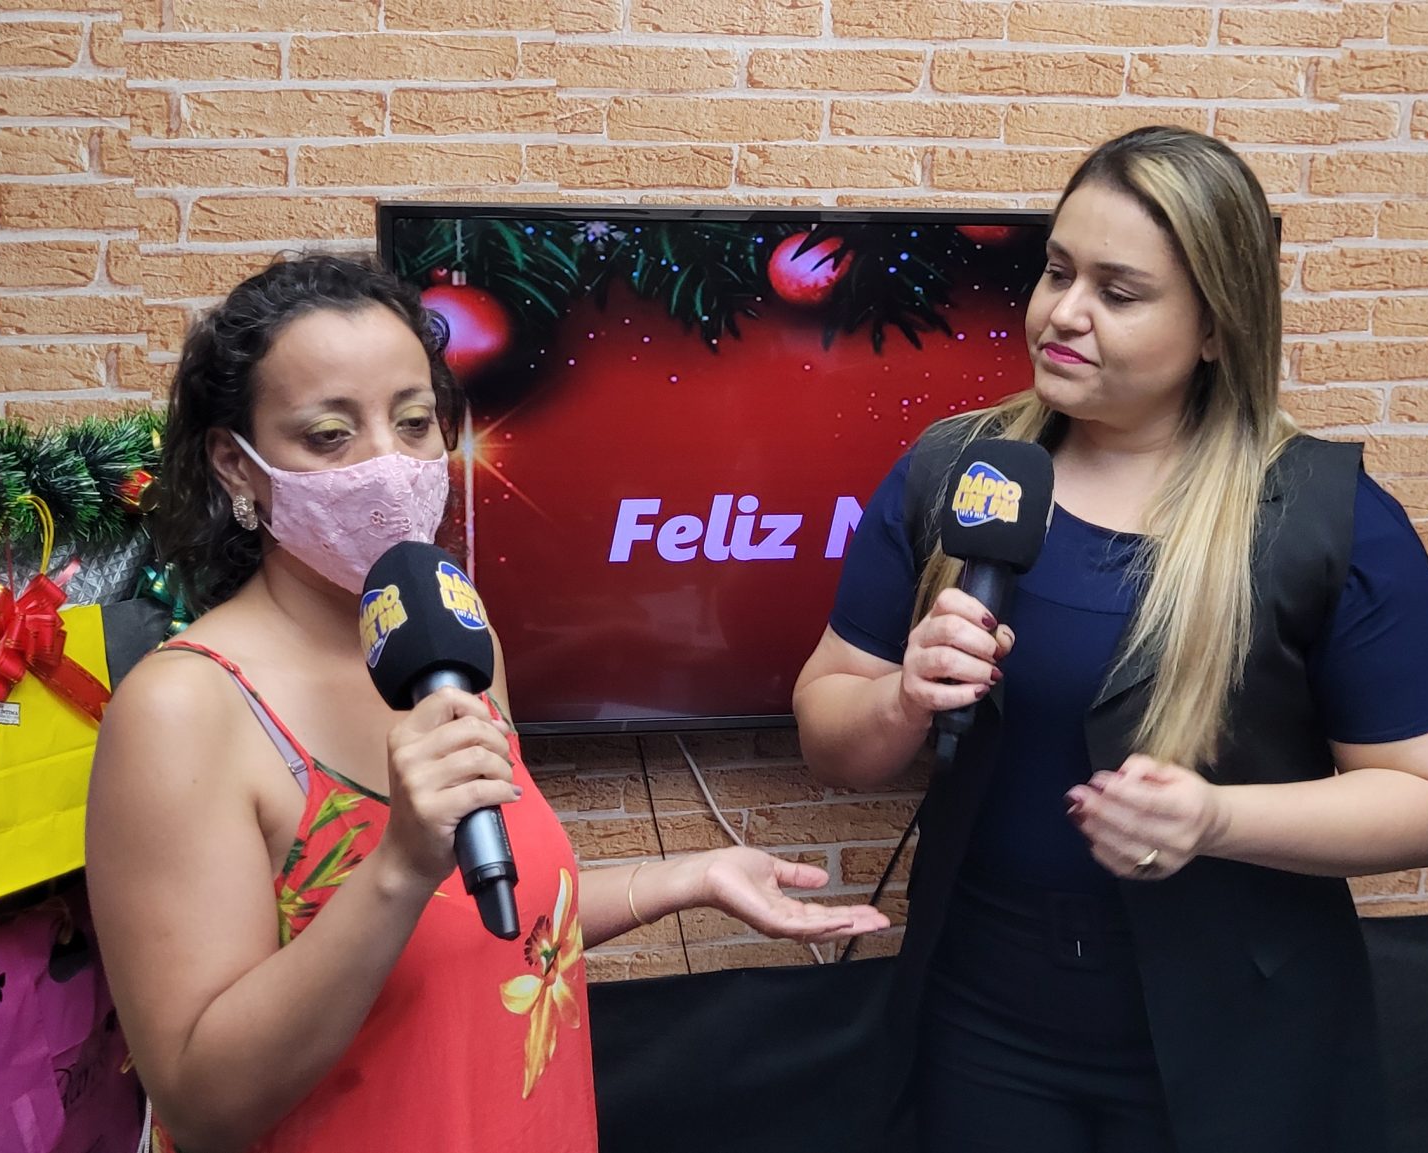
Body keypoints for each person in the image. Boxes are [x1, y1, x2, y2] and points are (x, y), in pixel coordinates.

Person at [87, 254, 888, 1153]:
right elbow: (201, 1099)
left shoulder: (461, 646)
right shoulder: (183, 709)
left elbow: (493, 917)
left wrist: (688, 878)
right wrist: (397, 866)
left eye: (413, 421)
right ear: (237, 464)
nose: (388, 464)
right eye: (329, 435)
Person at [794, 127, 1428, 1153]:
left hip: (1238, 1034)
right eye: (1056, 271)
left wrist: (1215, 818)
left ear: (1215, 328)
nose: (1063, 313)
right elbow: (826, 728)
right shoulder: (958, 472)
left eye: (1118, 292)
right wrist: (901, 699)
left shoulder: (1326, 520)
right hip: (982, 1020)